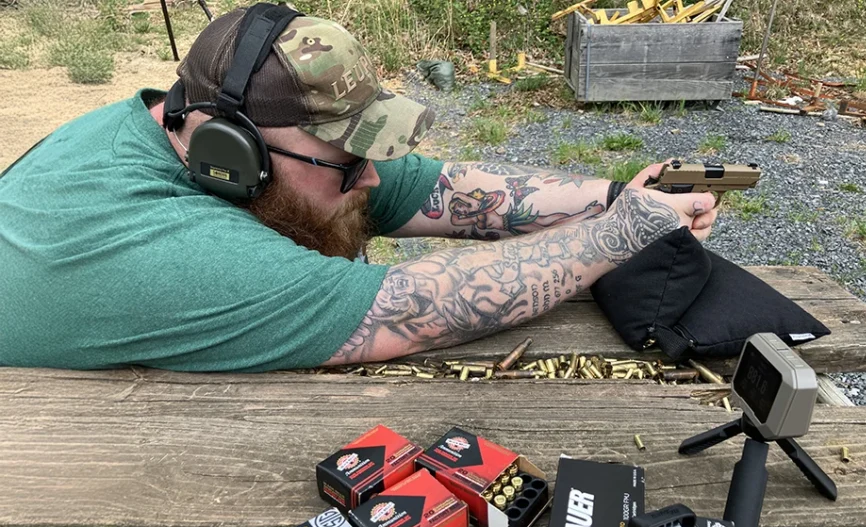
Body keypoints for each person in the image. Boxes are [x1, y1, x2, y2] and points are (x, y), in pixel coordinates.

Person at [0, 5, 717, 372]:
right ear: (232, 151)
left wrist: (616, 194)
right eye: (347, 161)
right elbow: (414, 310)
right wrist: (617, 235)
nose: (369, 177)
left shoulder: (188, 131)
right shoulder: (163, 253)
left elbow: (433, 185)